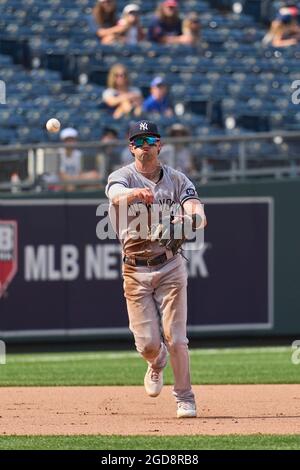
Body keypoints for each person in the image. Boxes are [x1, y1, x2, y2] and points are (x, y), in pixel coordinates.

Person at [105, 120, 207, 418]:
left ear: (159, 145)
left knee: (176, 337)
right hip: (135, 270)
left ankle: (185, 397)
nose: (144, 145)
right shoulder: (121, 176)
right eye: (138, 141)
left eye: (150, 139)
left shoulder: (176, 179)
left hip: (170, 265)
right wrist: (136, 195)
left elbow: (197, 210)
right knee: (148, 344)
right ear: (131, 148)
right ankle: (156, 361)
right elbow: (114, 195)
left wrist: (189, 221)